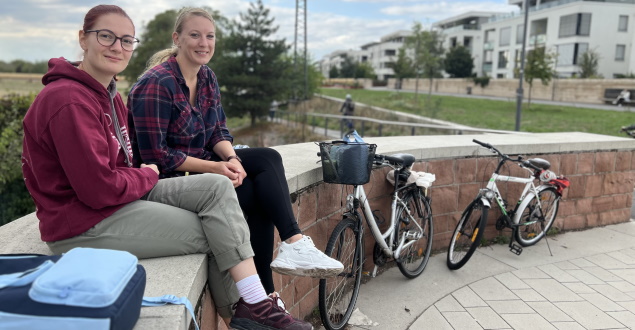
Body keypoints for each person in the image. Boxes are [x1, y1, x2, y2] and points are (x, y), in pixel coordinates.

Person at [20, 5, 312, 330]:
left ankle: (254, 306)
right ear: (83, 39)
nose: (117, 46)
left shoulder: (108, 94)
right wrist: (146, 175)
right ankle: (249, 310)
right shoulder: (69, 101)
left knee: (218, 190)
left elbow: (124, 167)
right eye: (106, 36)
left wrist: (147, 174)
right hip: (82, 223)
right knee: (217, 230)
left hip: (119, 200)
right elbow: (98, 188)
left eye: (126, 40)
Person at [127, 7, 342, 295]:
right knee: (252, 193)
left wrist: (231, 159)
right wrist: (216, 168)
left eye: (209, 36)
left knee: (268, 158)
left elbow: (217, 130)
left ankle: (293, 243)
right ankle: (266, 293)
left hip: (201, 164)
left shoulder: (206, 78)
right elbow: (157, 155)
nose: (204, 43)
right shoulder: (157, 83)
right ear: (177, 38)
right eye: (195, 35)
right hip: (168, 179)